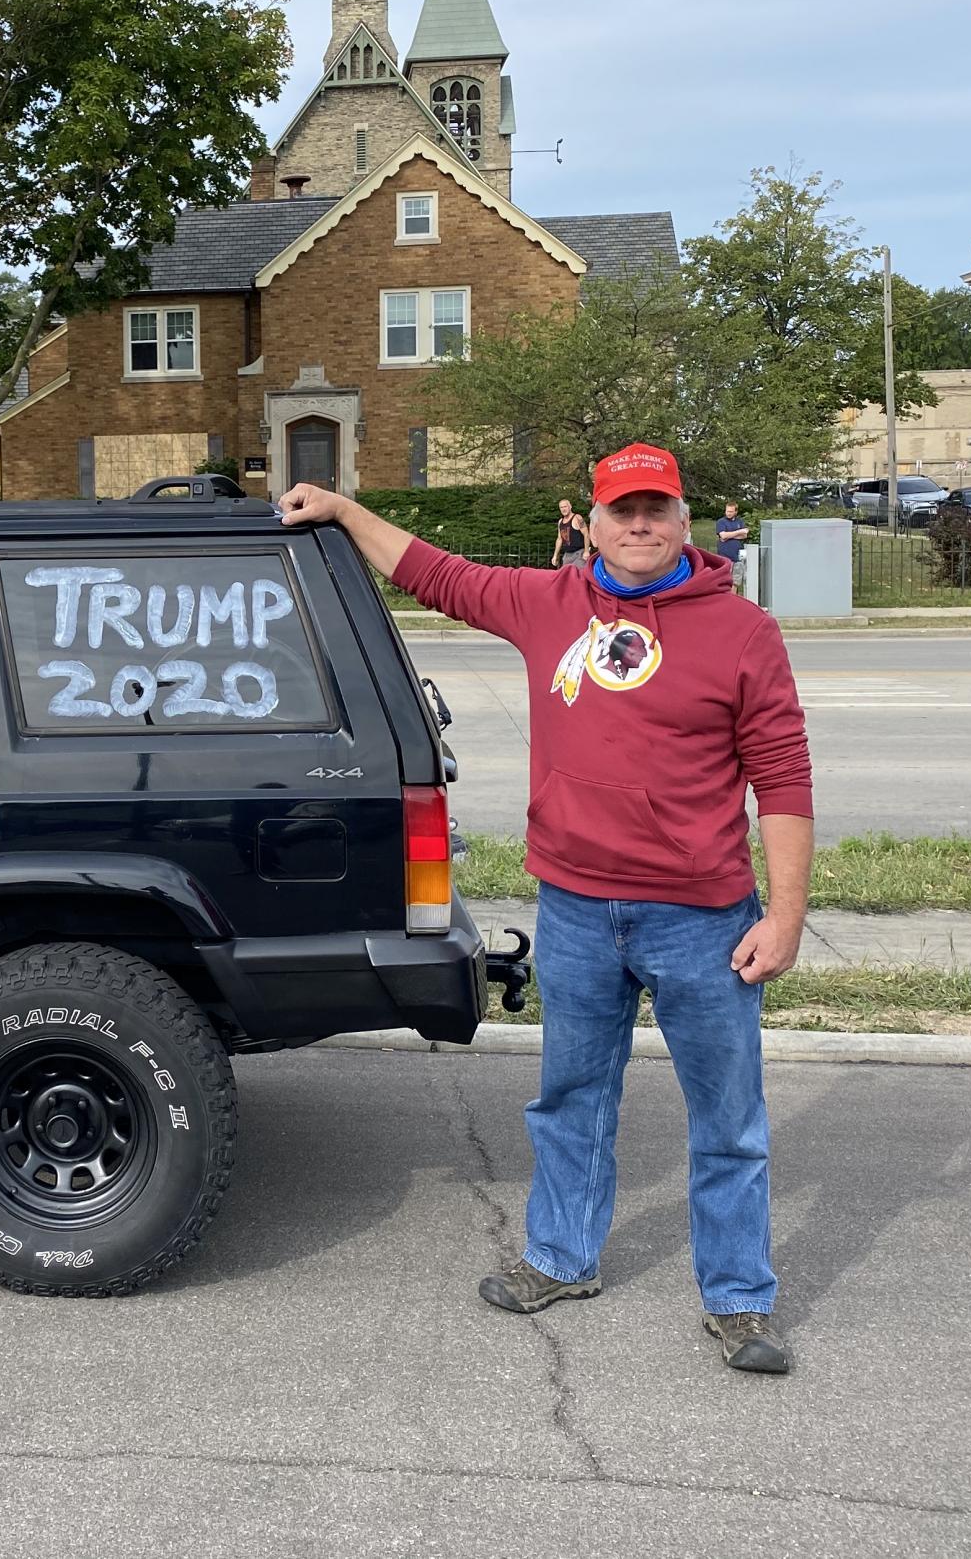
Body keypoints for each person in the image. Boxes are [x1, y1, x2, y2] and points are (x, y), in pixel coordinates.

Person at [278, 443, 814, 1375]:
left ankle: (739, 1298)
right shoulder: (550, 604)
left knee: (728, 1117)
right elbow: (435, 573)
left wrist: (787, 916)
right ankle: (562, 1258)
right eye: (621, 510)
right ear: (592, 521)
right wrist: (341, 508)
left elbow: (784, 778)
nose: (638, 525)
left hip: (703, 917)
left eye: (655, 509)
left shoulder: (742, 631)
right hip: (574, 907)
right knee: (570, 1098)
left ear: (685, 520)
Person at [715, 502, 751, 589]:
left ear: (735, 512)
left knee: (736, 581)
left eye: (731, 511)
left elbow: (744, 535)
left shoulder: (740, 521)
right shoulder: (721, 522)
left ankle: (733, 599)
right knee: (724, 580)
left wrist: (728, 536)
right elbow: (723, 535)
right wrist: (739, 532)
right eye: (727, 511)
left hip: (738, 555)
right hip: (725, 555)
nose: (728, 513)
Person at [549, 498, 587, 570]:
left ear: (570, 507)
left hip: (579, 553)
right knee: (566, 577)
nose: (563, 509)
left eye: (565, 506)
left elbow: (586, 534)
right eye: (561, 507)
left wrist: (586, 551)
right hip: (567, 555)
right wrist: (555, 555)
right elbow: (559, 539)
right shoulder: (560, 522)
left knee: (578, 575)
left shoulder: (577, 518)